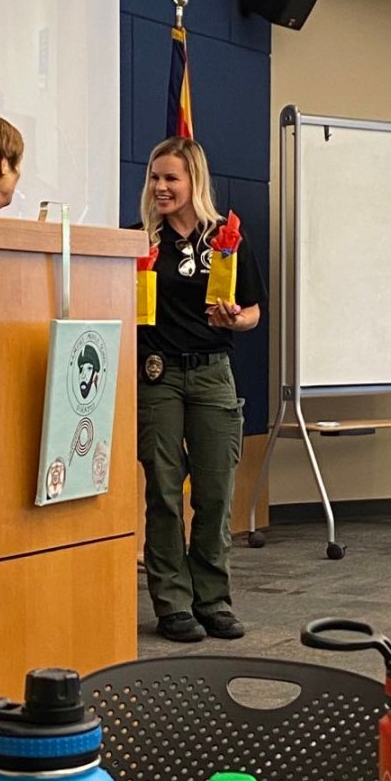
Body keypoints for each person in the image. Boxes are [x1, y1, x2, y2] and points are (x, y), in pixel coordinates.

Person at [136, 136, 266, 643]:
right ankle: (173, 603)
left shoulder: (227, 239)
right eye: (154, 177)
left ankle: (212, 599)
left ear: (195, 181)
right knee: (165, 491)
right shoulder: (140, 239)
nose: (160, 187)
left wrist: (235, 319)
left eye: (171, 178)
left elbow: (254, 311)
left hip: (213, 373)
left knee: (215, 492)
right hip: (158, 375)